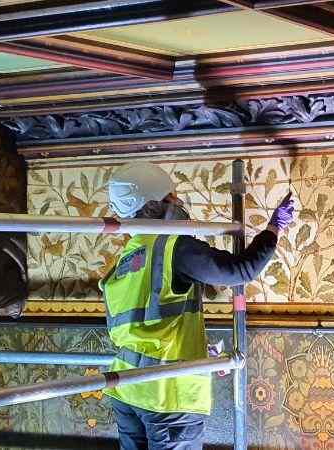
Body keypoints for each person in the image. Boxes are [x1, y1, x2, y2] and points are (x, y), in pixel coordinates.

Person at [101, 162, 294, 450]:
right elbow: (240, 270)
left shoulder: (126, 257)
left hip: (127, 390)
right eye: (172, 196)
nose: (178, 201)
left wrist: (201, 352)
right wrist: (274, 227)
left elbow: (150, 324)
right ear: (160, 202)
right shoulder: (173, 247)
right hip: (166, 393)